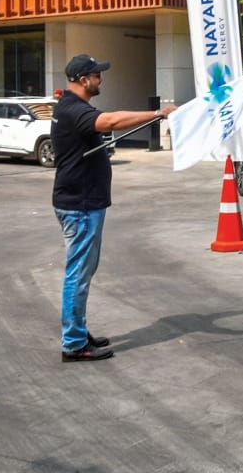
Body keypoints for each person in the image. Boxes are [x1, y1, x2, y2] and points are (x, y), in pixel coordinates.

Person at [51, 54, 177, 362]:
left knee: (83, 271)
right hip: (80, 205)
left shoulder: (69, 106)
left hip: (82, 202)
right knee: (78, 274)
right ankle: (74, 344)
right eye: (97, 75)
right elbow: (112, 121)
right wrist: (158, 113)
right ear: (83, 80)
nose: (101, 79)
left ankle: (78, 331)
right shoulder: (72, 110)